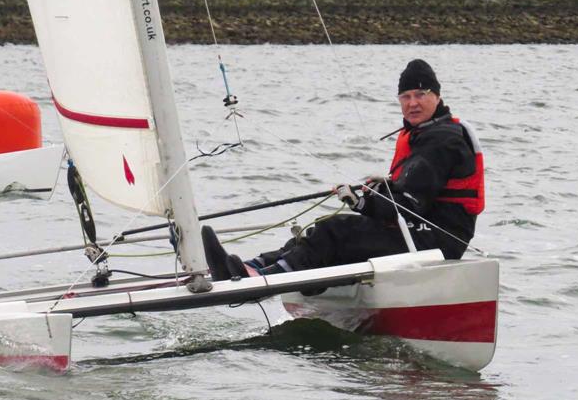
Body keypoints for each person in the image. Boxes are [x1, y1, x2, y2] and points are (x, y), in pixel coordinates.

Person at [201, 58, 485, 282]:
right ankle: (250, 267)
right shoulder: (426, 133)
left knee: (336, 230)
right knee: (318, 232)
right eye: (406, 96)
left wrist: (363, 201)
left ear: (437, 96)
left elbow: (409, 205)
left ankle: (262, 278)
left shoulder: (442, 140)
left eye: (421, 94)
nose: (412, 103)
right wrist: (381, 187)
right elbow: (413, 190)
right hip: (419, 232)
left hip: (436, 241)